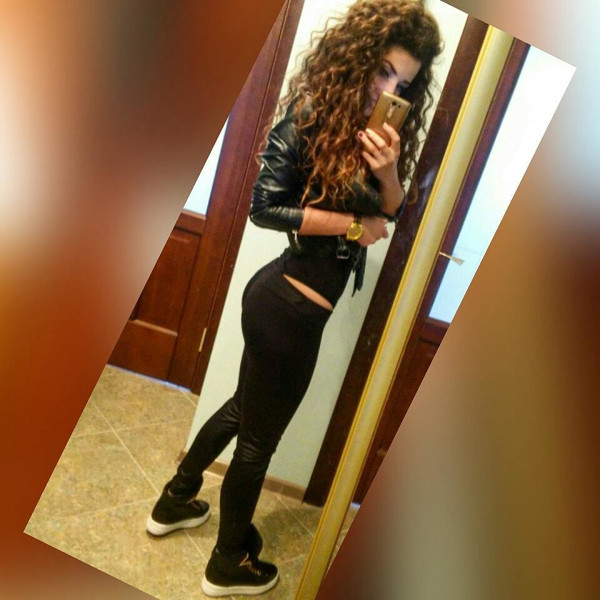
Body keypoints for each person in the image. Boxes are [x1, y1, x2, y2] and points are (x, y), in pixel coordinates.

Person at [146, 1, 441, 596]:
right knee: (257, 444)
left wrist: (387, 172)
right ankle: (228, 563)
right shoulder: (309, 114)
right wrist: (353, 227)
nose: (389, 90)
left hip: (285, 305)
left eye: (403, 84)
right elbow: (265, 207)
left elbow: (388, 212)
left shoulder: (373, 136)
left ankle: (175, 500)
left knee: (242, 410)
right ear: (358, 58)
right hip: (289, 312)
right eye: (383, 71)